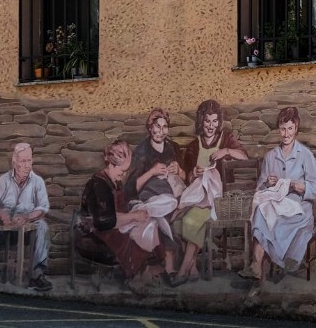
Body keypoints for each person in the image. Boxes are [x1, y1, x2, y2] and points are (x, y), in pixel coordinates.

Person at [173, 99, 248, 283]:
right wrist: (194, 173)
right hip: (198, 196)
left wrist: (226, 151)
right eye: (207, 121)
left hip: (218, 200)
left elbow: (244, 157)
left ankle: (183, 271)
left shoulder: (226, 139)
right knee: (175, 222)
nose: (211, 126)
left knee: (191, 221)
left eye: (215, 121)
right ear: (201, 122)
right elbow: (188, 179)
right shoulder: (193, 146)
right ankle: (192, 271)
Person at [243, 106, 316, 284]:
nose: (286, 134)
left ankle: (260, 267)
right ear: (279, 129)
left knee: (272, 221)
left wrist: (298, 186)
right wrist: (267, 183)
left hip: (299, 211)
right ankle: (256, 266)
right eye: (283, 129)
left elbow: (315, 189)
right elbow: (260, 190)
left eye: (290, 129)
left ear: (296, 128)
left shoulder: (305, 155)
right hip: (276, 206)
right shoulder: (271, 157)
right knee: (262, 212)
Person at [0, 143, 51, 291]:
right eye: (23, 161)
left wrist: (26, 217)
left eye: (29, 160)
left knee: (43, 226)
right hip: (4, 231)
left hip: (27, 233)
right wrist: (1, 214)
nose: (27, 165)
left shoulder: (37, 182)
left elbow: (42, 208)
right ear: (14, 162)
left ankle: (37, 274)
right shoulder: (4, 180)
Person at [75, 140, 157, 291]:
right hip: (93, 236)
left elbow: (119, 210)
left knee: (146, 230)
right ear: (111, 164)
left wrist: (136, 211)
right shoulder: (98, 185)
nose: (123, 175)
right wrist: (133, 217)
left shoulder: (115, 182)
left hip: (110, 228)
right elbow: (105, 221)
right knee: (134, 239)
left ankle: (140, 275)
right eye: (122, 171)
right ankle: (134, 279)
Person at [124, 108, 182, 281]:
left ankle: (145, 210)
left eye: (165, 127)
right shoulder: (142, 151)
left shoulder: (172, 148)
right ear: (150, 128)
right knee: (166, 210)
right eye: (157, 126)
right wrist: (152, 171)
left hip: (169, 195)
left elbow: (185, 177)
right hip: (148, 196)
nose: (161, 131)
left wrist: (178, 170)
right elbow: (131, 187)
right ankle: (170, 269)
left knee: (166, 207)